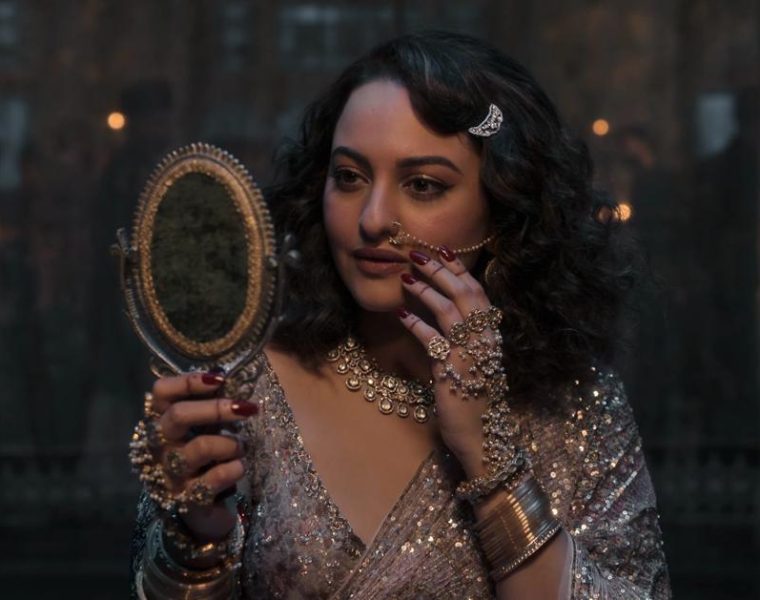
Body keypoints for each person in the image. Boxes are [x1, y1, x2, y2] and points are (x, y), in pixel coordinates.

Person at [129, 31, 670, 598]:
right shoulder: (250, 384)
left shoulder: (577, 403)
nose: (372, 218)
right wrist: (199, 539)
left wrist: (490, 460)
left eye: (423, 185)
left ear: (504, 207)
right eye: (349, 177)